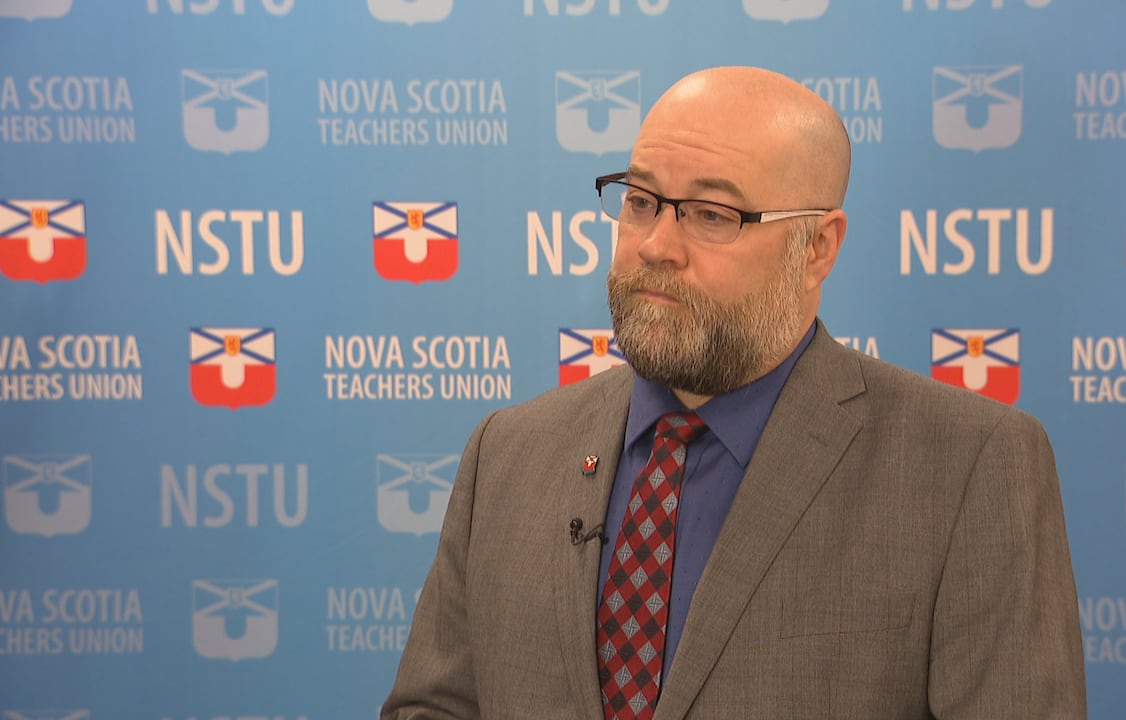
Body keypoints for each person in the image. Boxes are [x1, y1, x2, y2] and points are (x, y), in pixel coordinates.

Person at [382, 66, 1086, 719]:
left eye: (711, 215)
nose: (657, 244)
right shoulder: (507, 452)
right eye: (641, 201)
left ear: (816, 248)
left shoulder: (970, 466)